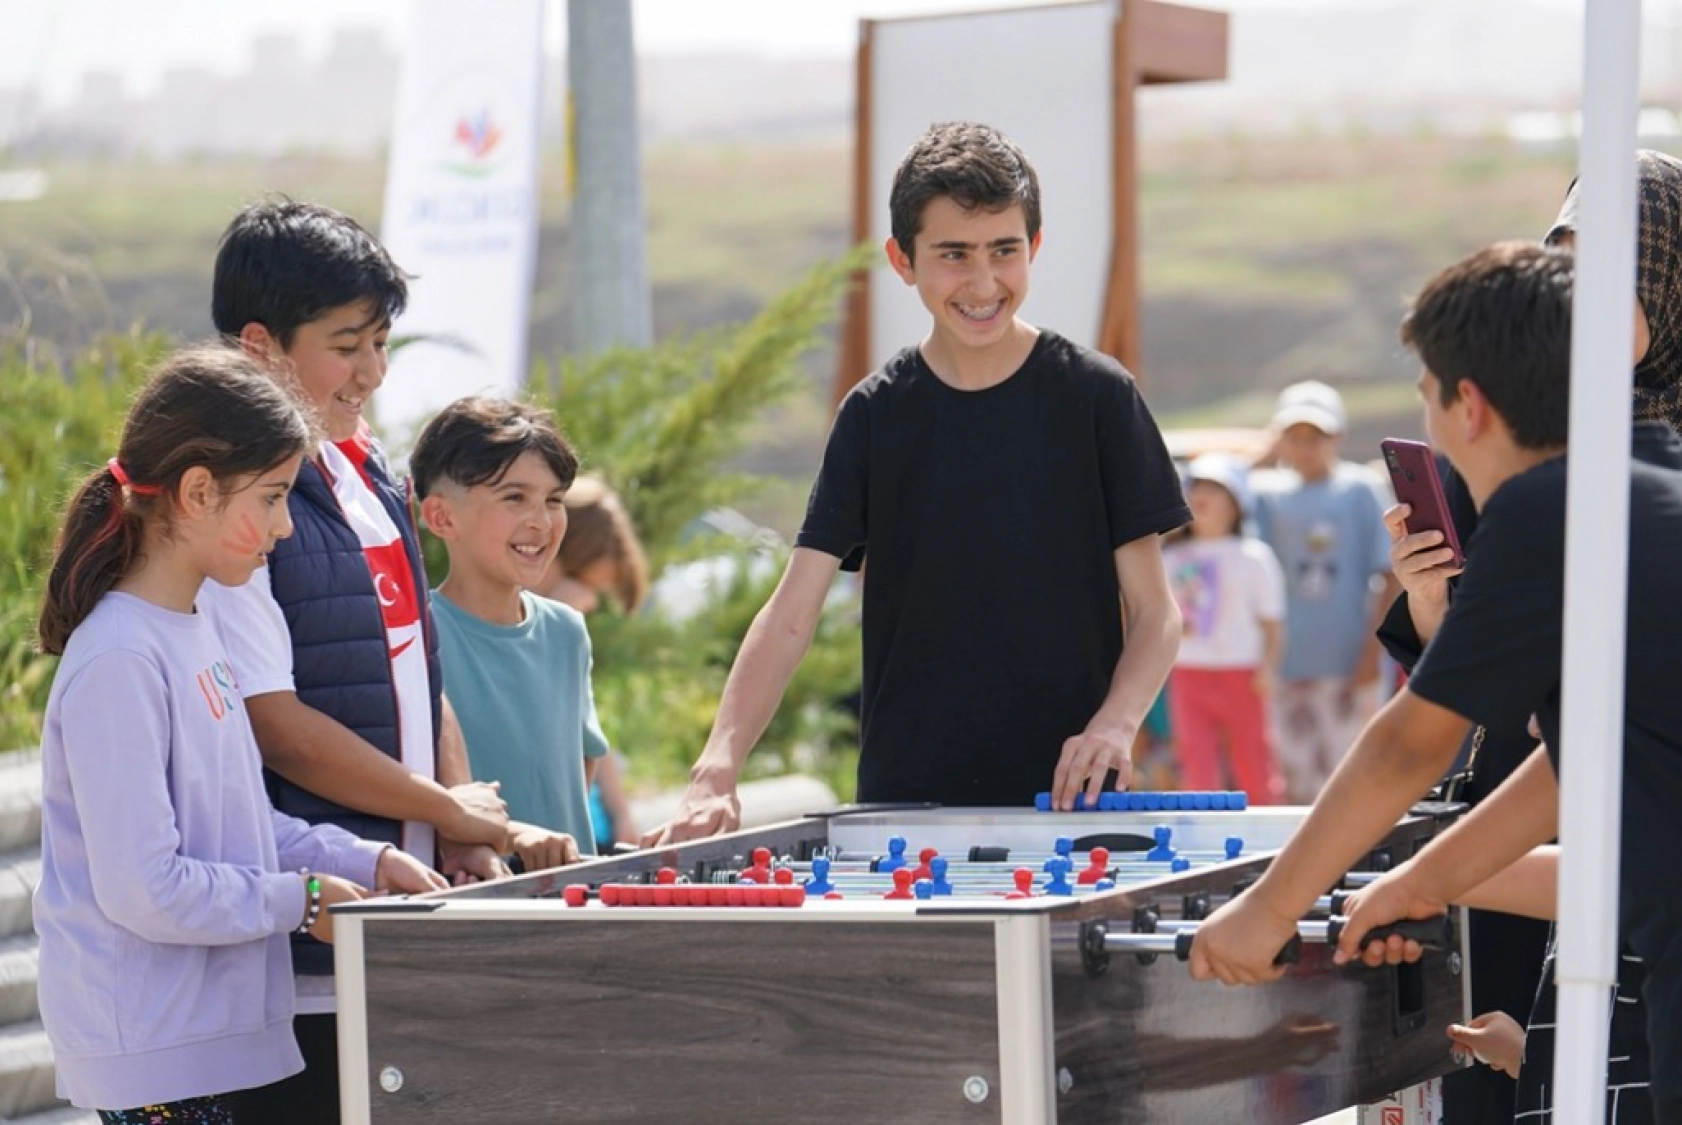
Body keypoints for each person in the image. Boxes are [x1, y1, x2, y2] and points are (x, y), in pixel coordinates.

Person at [1186, 241, 1682, 1125]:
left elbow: (1409, 744)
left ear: (1469, 405)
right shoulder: (1650, 479)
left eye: (1426, 393)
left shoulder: (1551, 508)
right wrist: (1419, 880)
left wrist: (1267, 910)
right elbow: (1578, 764)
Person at [648, 120, 1188, 844]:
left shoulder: (1098, 398)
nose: (983, 283)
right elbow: (791, 615)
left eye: (1004, 250)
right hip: (904, 813)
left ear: (1035, 246)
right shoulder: (874, 415)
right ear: (902, 260)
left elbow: (1155, 612)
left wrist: (1115, 725)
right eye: (953, 255)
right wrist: (717, 766)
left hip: (1072, 808)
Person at [195, 199, 567, 1122]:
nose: (371, 371)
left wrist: (463, 822)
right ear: (259, 346)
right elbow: (278, 728)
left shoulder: (368, 472)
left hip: (405, 927)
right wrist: (443, 809)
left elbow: (419, 671)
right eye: (346, 345)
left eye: (380, 343)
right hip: (302, 957)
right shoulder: (242, 506)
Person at [32, 348, 444, 1122]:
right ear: (197, 491)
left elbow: (239, 828)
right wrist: (301, 899)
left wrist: (363, 858)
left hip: (208, 1041)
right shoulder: (120, 657)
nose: (285, 526)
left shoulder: (190, 630)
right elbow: (145, 886)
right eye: (273, 496)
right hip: (159, 1055)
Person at [1373, 149, 1682, 1125]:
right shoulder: (1518, 430)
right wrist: (1430, 598)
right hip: (1513, 833)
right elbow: (1455, 680)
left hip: (1615, 852)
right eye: (1567, 270)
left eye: (1613, 272)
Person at [411, 396, 604, 854]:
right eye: (515, 498)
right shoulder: (414, 636)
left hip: (572, 886)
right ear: (441, 517)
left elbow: (582, 760)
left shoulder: (566, 630)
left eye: (553, 500)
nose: (541, 521)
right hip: (478, 889)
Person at [1252, 380, 1397, 804]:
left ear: (1337, 437)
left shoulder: (1360, 489)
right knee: (1293, 779)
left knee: (1351, 776)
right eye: (1293, 436)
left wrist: (1372, 652)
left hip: (1348, 664)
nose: (1304, 447)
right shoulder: (1266, 494)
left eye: (1314, 436)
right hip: (1287, 665)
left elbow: (1390, 572)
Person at [531, 473, 650, 851]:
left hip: (587, 829)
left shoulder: (563, 629)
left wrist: (621, 812)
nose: (591, 603)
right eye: (584, 585)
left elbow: (588, 726)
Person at [1161, 453, 1286, 803]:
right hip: (1189, 671)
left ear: (1236, 503)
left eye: (1215, 488)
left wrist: (1269, 668)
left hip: (1242, 671)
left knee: (1253, 758)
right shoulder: (1170, 557)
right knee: (1195, 759)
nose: (1202, 495)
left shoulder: (1254, 556)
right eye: (1196, 486)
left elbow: (1272, 622)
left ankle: (1265, 828)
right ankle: (1201, 829)